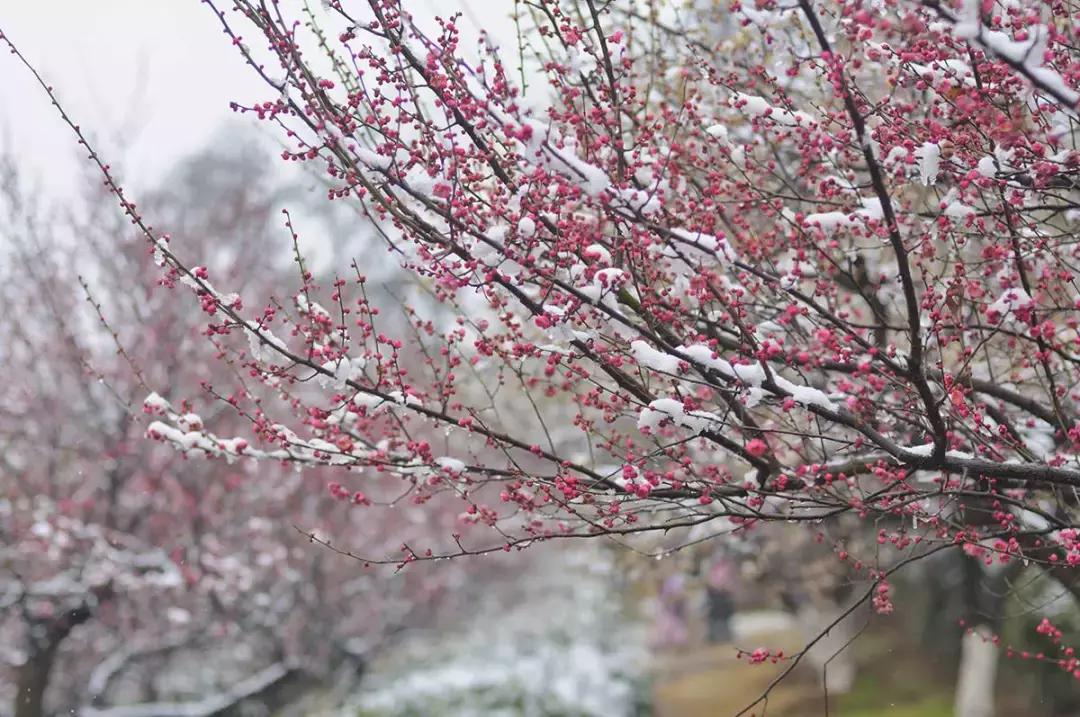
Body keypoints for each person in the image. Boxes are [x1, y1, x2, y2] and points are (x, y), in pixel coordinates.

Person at [705, 552, 737, 643]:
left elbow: (731, 582)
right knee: (715, 617)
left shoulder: (728, 567)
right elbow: (709, 581)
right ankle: (715, 637)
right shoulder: (712, 568)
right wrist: (717, 587)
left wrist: (727, 587)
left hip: (725, 596)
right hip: (715, 596)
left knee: (726, 617)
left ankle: (727, 636)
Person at [651, 572, 689, 649]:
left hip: (672, 615)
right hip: (668, 615)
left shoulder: (672, 587)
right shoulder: (660, 598)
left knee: (675, 632)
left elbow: (680, 597)